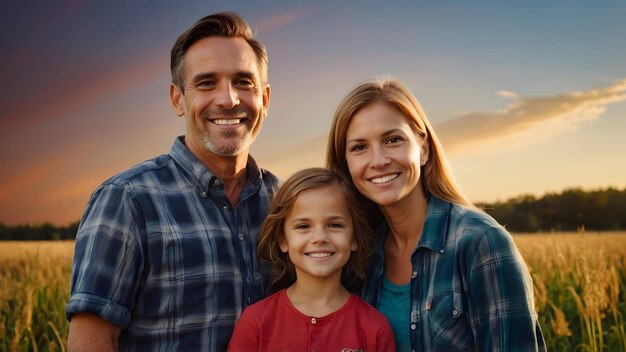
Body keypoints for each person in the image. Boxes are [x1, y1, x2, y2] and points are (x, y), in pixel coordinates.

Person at [65, 12, 279, 351]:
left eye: (243, 82)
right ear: (177, 98)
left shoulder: (284, 202)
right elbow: (93, 340)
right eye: (206, 83)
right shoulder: (128, 200)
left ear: (264, 99)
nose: (229, 99)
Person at [326, 78, 546, 351]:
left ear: (424, 149)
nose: (379, 160)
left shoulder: (482, 243)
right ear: (345, 164)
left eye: (393, 140)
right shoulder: (358, 253)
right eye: (359, 147)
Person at [227, 168, 396, 351]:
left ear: (354, 237)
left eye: (334, 225)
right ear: (283, 240)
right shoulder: (256, 322)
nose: (319, 237)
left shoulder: (374, 328)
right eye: (303, 226)